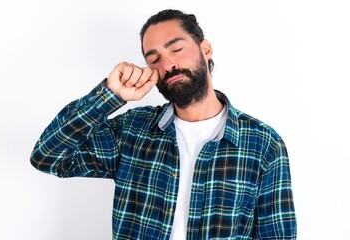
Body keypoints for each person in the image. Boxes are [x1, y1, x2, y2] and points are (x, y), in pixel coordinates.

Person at [31, 9, 297, 240]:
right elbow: (49, 157)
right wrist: (111, 95)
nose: (168, 64)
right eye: (154, 59)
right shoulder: (132, 130)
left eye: (177, 49)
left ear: (205, 49)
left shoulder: (263, 144)